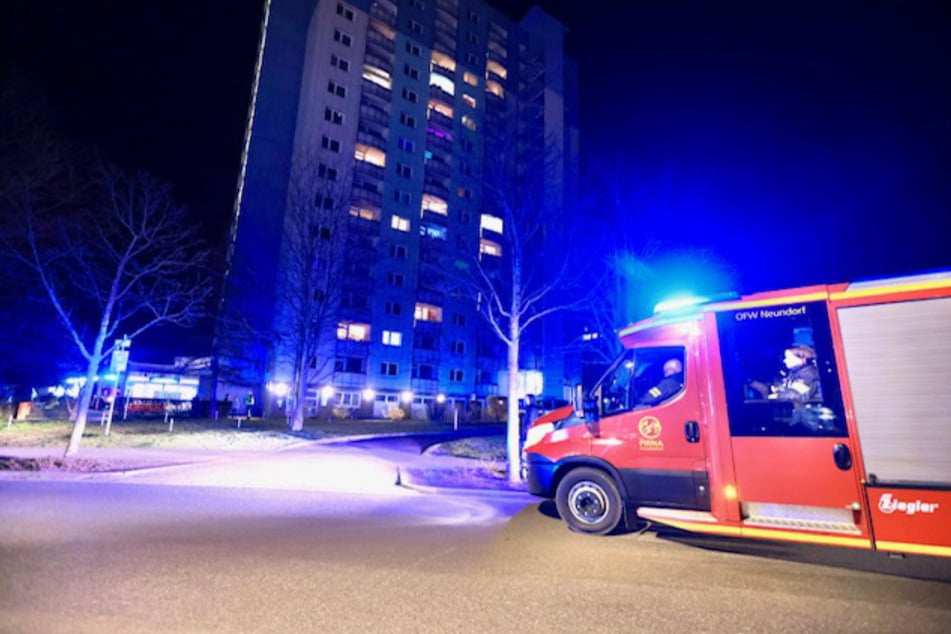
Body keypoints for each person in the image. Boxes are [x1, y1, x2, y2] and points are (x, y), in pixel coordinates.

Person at [748, 344, 820, 404]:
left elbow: (794, 395)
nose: (785, 360)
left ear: (802, 359)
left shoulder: (807, 375)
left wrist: (774, 396)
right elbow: (788, 387)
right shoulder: (794, 373)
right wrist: (778, 388)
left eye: (788, 358)